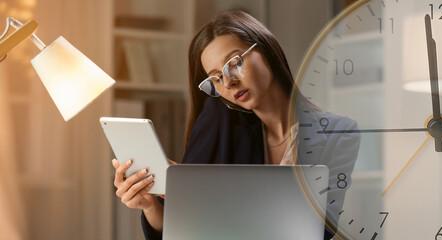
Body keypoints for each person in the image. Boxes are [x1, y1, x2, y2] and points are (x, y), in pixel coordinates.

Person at [111, 10, 360, 240]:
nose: (228, 83)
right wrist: (152, 205)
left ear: (266, 50)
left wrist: (212, 199)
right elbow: (185, 228)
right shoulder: (222, 124)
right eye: (216, 78)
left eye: (235, 63)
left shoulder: (339, 133)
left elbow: (323, 229)